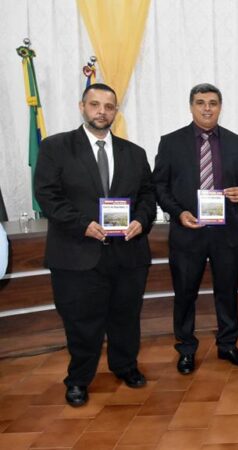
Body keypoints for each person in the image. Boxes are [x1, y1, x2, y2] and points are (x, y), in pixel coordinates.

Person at [34, 83, 156, 406]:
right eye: (95, 104)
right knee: (81, 322)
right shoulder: (55, 147)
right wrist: (82, 226)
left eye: (109, 106)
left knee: (126, 317)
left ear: (116, 112)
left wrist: (141, 221)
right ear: (82, 106)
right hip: (77, 255)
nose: (101, 111)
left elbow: (147, 196)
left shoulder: (135, 153)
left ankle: (125, 365)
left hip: (127, 253)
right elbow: (47, 195)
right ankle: (78, 379)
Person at [153, 83, 238, 374]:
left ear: (220, 107)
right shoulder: (171, 142)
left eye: (212, 103)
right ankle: (186, 349)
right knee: (185, 294)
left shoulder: (236, 142)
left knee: (227, 292)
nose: (207, 108)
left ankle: (228, 345)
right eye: (200, 102)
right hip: (188, 232)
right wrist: (178, 212)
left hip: (226, 233)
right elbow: (159, 184)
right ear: (191, 106)